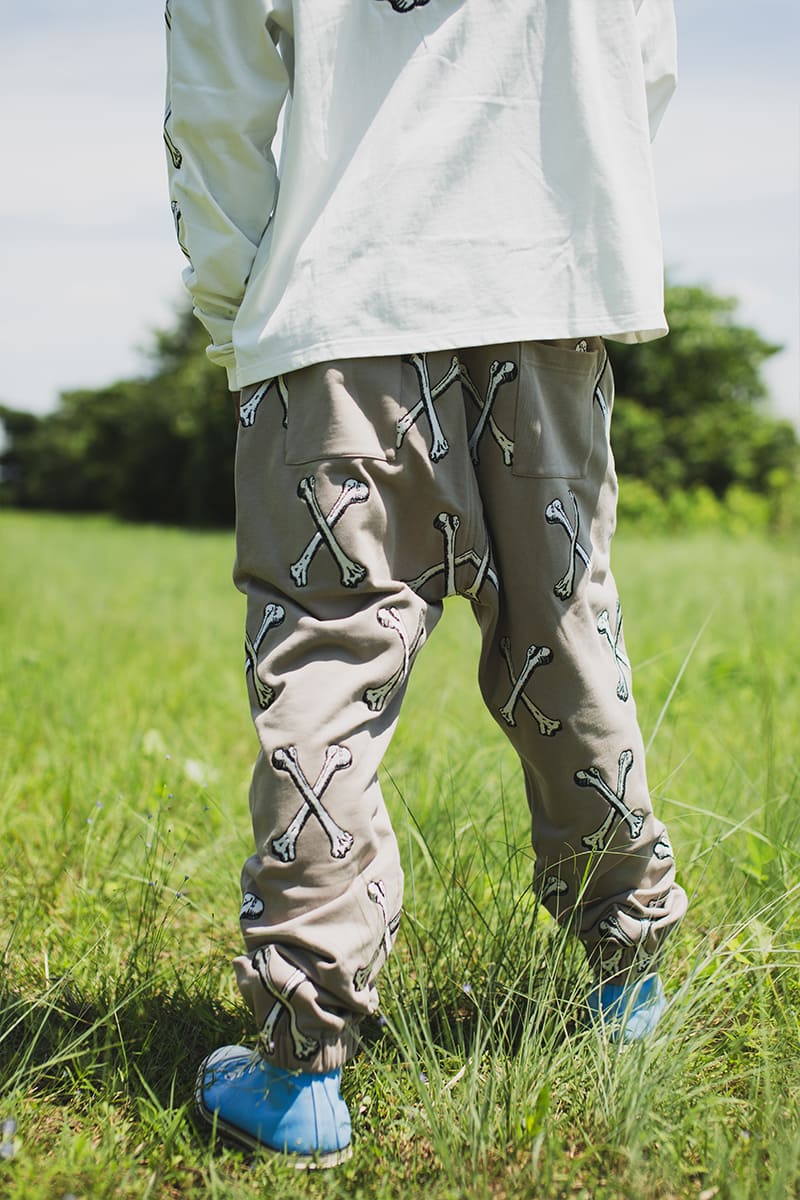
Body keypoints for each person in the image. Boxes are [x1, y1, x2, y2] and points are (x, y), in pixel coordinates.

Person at [164, 0, 688, 1168]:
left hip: (337, 309)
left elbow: (216, 100)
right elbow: (639, 66)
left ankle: (301, 1069)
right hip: (551, 290)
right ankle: (625, 987)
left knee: (326, 665)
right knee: (568, 641)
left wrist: (236, 314)